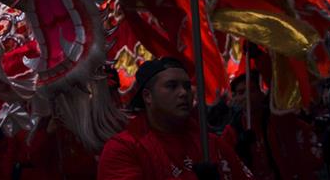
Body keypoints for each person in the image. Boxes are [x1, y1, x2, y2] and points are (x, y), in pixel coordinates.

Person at [97, 57, 251, 180]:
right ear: (147, 96)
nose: (183, 93)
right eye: (172, 86)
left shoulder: (211, 143)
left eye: (186, 86)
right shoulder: (124, 149)